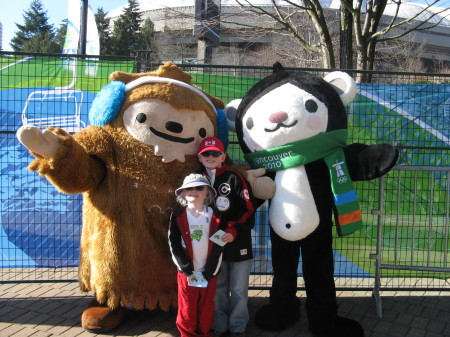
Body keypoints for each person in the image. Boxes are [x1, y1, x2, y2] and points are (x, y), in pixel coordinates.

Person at [197, 137, 256, 337]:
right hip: (211, 246)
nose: (210, 157)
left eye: (215, 153)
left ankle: (238, 326)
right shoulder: (196, 180)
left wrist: (233, 229)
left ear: (223, 156)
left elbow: (248, 209)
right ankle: (220, 325)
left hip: (237, 241)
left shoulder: (235, 178)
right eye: (206, 153)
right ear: (200, 157)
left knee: (239, 289)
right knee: (219, 288)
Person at [169, 173, 224, 337]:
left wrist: (211, 271)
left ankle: (205, 333)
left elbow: (219, 244)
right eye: (189, 188)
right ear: (184, 193)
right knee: (187, 307)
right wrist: (186, 270)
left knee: (206, 306)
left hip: (209, 272)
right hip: (187, 274)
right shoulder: (177, 215)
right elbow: (174, 245)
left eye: (199, 188)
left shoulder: (216, 215)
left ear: (207, 192)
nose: (194, 191)